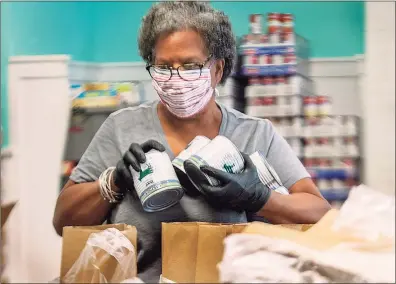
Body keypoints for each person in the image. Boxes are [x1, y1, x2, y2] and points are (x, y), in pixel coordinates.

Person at [53, 1, 331, 282]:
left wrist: (259, 198)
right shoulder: (121, 127)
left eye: (190, 65)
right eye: (163, 66)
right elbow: (63, 222)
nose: (176, 78)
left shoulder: (255, 134)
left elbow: (319, 214)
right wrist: (112, 182)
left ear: (218, 70)